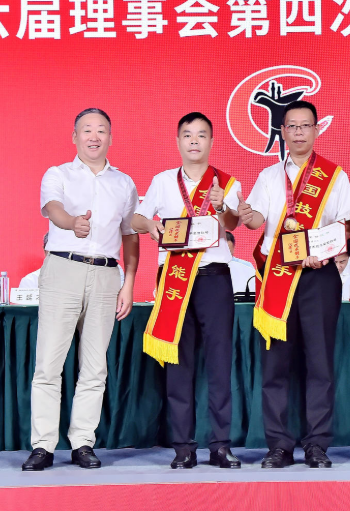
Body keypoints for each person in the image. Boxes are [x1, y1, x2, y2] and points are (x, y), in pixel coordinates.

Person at [22, 108, 139, 472]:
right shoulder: (58, 174)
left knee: (94, 366)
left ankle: (83, 442)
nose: (94, 136)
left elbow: (130, 234)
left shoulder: (124, 183)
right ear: (74, 137)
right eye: (87, 130)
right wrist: (72, 223)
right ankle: (43, 445)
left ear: (110, 138)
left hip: (106, 275)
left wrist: (129, 282)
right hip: (63, 269)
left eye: (101, 130)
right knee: (48, 365)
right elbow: (53, 209)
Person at [239, 100, 350, 469]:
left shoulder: (334, 176)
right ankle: (278, 445)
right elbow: (256, 220)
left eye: (306, 125)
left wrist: (325, 252)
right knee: (276, 366)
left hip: (319, 276)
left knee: (320, 364)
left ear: (316, 130)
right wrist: (246, 214)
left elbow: (344, 224)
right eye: (292, 126)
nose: (299, 132)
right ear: (282, 132)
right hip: (278, 276)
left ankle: (317, 444)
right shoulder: (268, 176)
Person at [132, 112, 243, 469]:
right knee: (178, 363)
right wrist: (150, 225)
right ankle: (183, 446)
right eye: (187, 135)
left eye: (201, 135)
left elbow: (234, 223)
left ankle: (221, 445)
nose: (194, 141)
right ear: (178, 141)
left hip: (214, 277)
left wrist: (221, 204)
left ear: (211, 141)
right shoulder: (163, 180)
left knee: (220, 362)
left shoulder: (226, 182)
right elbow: (136, 218)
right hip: (175, 278)